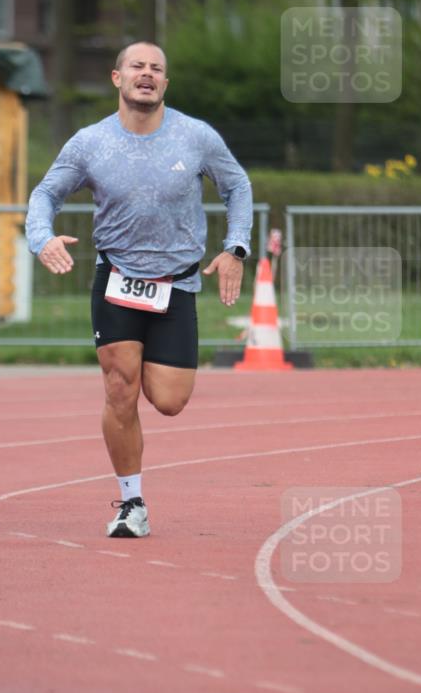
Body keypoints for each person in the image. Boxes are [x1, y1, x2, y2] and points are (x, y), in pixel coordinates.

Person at [26, 42, 253, 538]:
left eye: (156, 69)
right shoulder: (90, 143)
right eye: (137, 67)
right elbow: (45, 194)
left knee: (168, 401)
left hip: (176, 284)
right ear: (117, 78)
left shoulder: (196, 137)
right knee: (119, 389)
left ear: (165, 84)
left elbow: (237, 185)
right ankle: (132, 503)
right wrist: (40, 238)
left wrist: (235, 248)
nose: (146, 74)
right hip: (117, 278)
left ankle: (154, 382)